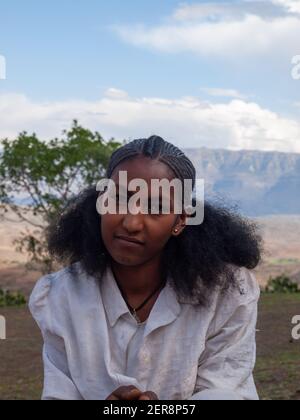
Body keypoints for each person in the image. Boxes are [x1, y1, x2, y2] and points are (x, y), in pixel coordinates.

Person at [29, 135, 263, 400]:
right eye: (119, 198)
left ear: (180, 220)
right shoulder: (61, 295)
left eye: (156, 206)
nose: (131, 222)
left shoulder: (227, 292)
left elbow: (226, 393)